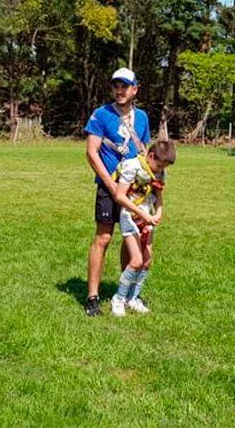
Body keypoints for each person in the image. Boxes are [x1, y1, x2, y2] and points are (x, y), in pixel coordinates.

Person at [84, 68, 151, 316]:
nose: (120, 91)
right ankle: (92, 297)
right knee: (103, 238)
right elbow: (92, 153)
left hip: (132, 190)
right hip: (108, 186)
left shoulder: (142, 117)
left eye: (125, 86)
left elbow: (143, 152)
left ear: (135, 90)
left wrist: (148, 184)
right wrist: (111, 186)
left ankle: (125, 295)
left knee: (130, 238)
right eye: (116, 86)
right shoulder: (101, 114)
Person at [110, 141, 176, 317]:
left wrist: (158, 212)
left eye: (164, 168)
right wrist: (142, 215)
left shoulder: (159, 172)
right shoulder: (132, 166)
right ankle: (118, 298)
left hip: (147, 216)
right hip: (130, 216)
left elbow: (158, 196)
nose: (160, 170)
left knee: (146, 261)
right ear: (151, 156)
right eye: (159, 166)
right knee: (136, 260)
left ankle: (133, 298)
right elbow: (120, 196)